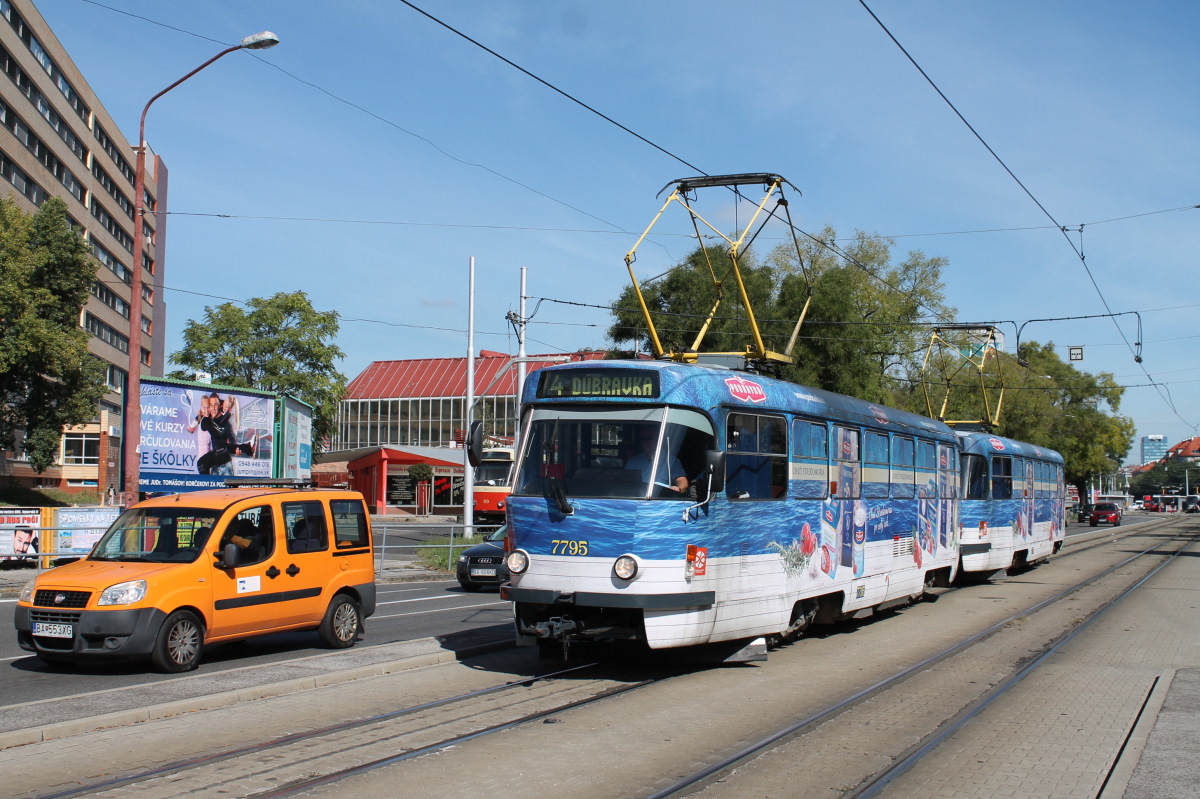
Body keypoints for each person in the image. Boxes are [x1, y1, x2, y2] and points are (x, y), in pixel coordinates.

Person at [626, 428, 688, 494]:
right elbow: (625, 482)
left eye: (649, 438)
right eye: (643, 439)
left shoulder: (670, 459)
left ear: (657, 439)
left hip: (661, 498)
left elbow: (682, 480)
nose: (646, 442)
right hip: (638, 497)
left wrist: (678, 489)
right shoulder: (633, 461)